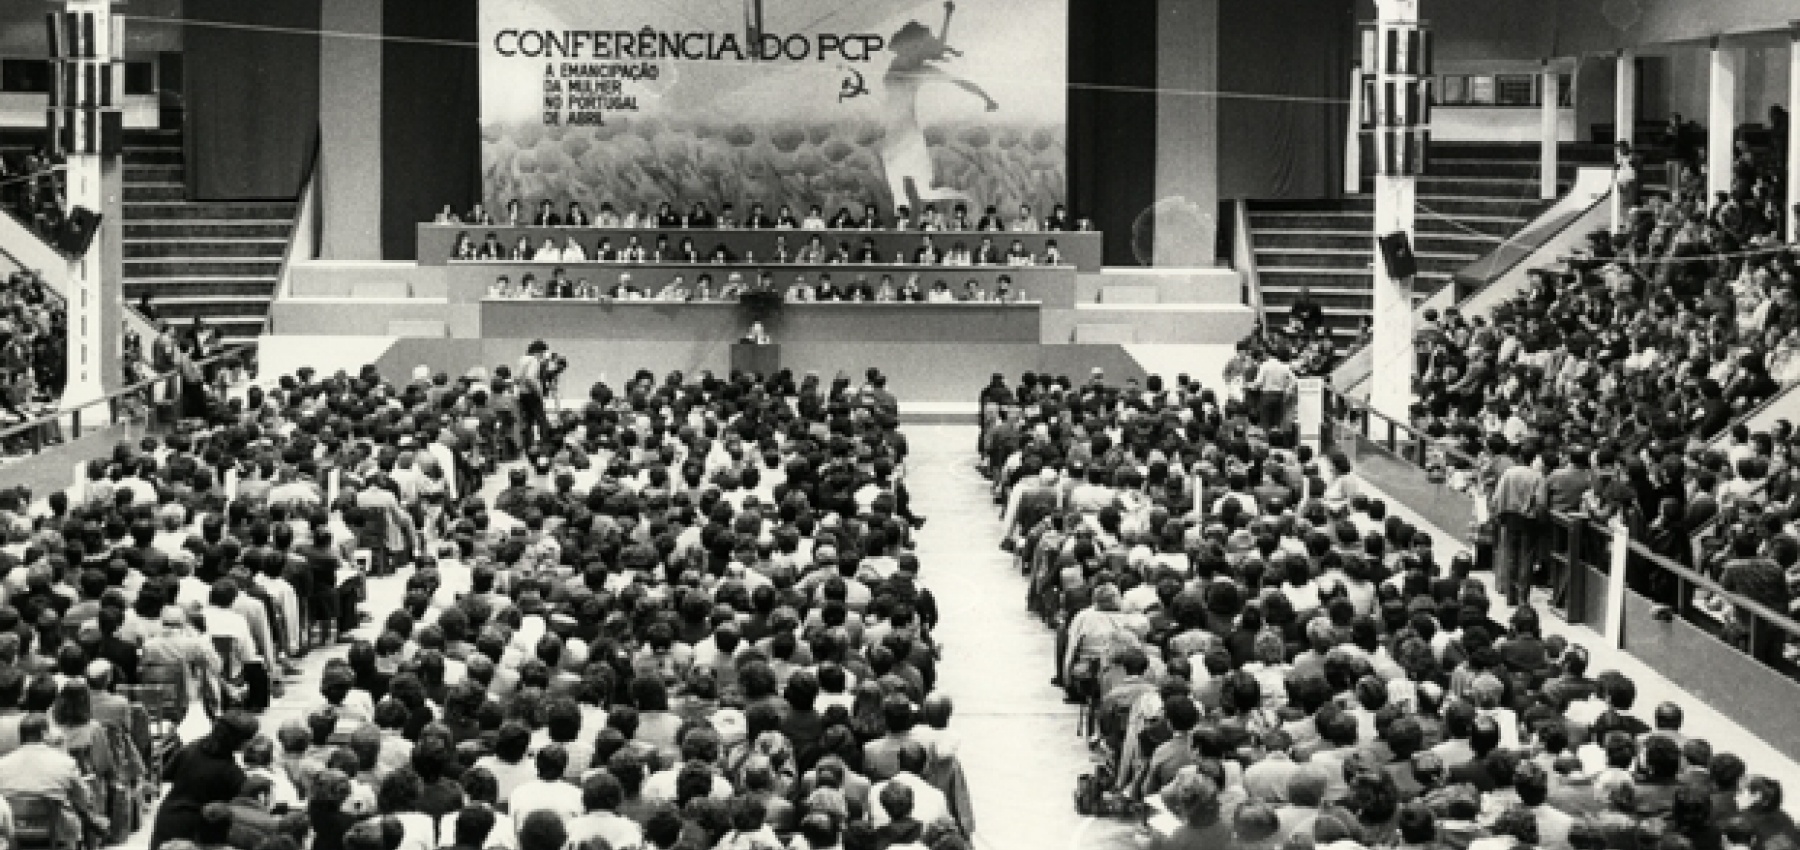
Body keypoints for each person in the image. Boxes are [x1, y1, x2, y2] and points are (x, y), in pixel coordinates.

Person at [150, 711, 259, 848]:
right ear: (239, 741)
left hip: (167, 818)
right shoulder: (232, 773)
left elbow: (166, 774)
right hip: (196, 830)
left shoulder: (190, 749)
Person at [0, 714, 107, 847]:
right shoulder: (66, 763)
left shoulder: (2, 764)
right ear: (44, 734)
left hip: (14, 832)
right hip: (58, 835)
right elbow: (83, 799)